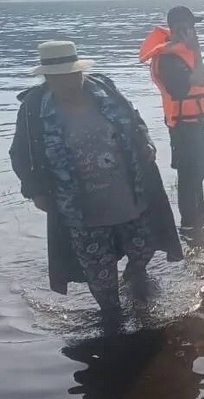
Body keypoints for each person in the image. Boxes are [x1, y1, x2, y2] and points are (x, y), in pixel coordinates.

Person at [9, 40, 184, 322]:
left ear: (80, 71)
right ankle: (112, 318)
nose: (69, 83)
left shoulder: (105, 89)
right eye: (60, 78)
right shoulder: (34, 109)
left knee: (143, 248)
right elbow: (19, 154)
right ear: (48, 79)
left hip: (128, 193)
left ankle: (136, 283)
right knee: (99, 272)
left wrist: (146, 143)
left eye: (73, 75)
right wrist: (35, 190)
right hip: (79, 207)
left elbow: (135, 121)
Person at [139, 6, 204, 228]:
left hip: (194, 123)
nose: (194, 32)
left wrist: (193, 50)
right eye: (189, 28)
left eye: (194, 27)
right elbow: (193, 82)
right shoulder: (168, 58)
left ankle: (200, 227)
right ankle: (190, 227)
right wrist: (197, 50)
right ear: (177, 29)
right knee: (188, 178)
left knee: (198, 175)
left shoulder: (181, 52)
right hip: (183, 127)